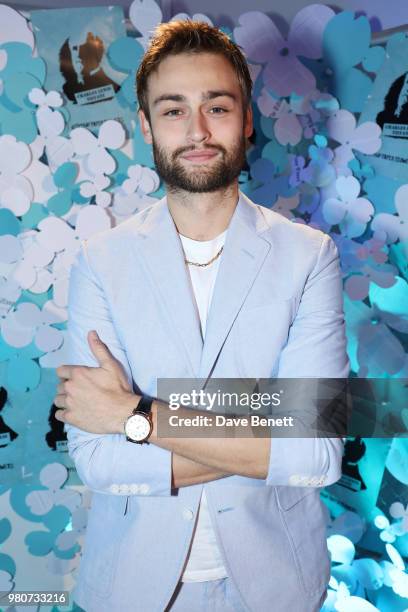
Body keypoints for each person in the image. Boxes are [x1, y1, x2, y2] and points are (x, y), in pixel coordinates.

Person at [54, 21, 350, 612]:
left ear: (246, 120)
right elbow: (98, 459)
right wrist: (265, 433)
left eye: (216, 106)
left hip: (276, 584)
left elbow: (317, 454)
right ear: (146, 125)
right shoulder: (99, 262)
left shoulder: (309, 257)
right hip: (135, 586)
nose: (196, 131)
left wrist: (135, 415)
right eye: (172, 111)